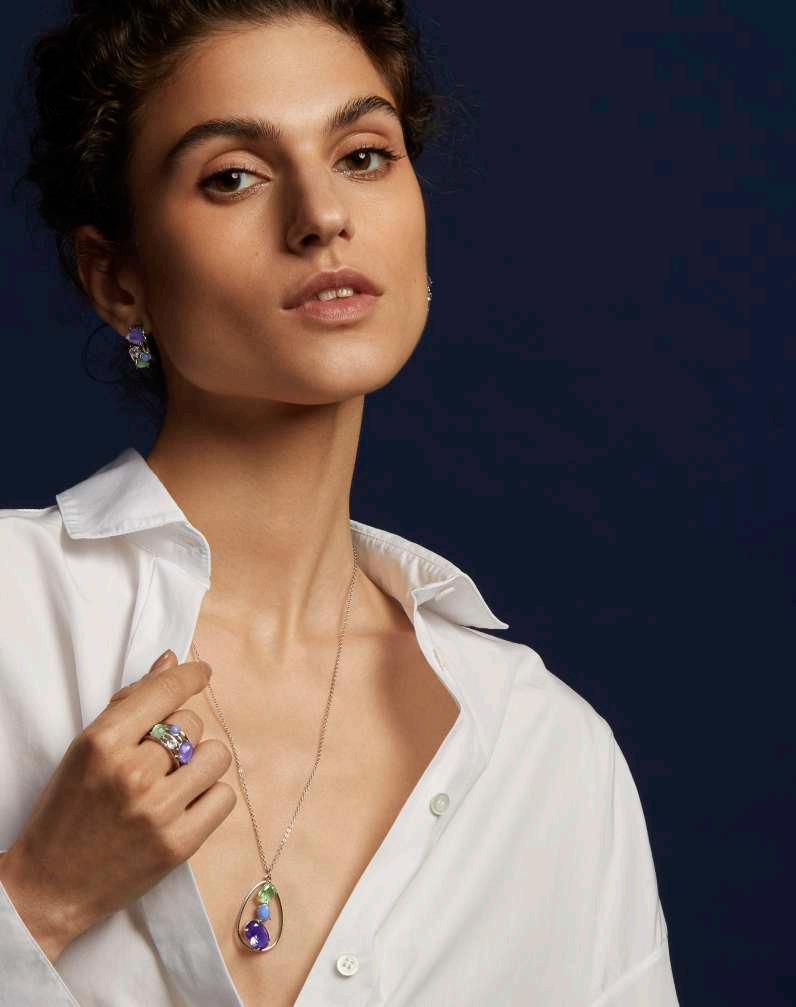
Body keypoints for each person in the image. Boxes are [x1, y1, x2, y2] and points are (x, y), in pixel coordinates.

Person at [0, 1, 680, 1004]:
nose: (322, 215)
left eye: (363, 156)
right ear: (118, 278)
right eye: (233, 176)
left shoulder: (547, 754)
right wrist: (41, 897)